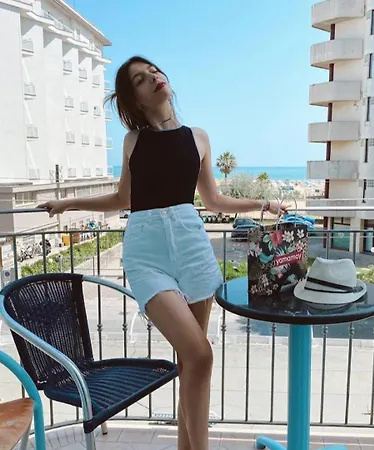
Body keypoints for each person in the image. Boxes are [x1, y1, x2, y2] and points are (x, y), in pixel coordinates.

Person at [38, 55, 285, 450]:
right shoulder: (133, 141)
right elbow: (122, 198)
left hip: (193, 248)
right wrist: (68, 203)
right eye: (140, 79)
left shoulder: (198, 137)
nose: (153, 77)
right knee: (200, 355)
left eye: (153, 70)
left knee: (191, 363)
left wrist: (263, 204)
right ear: (134, 100)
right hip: (147, 253)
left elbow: (214, 200)